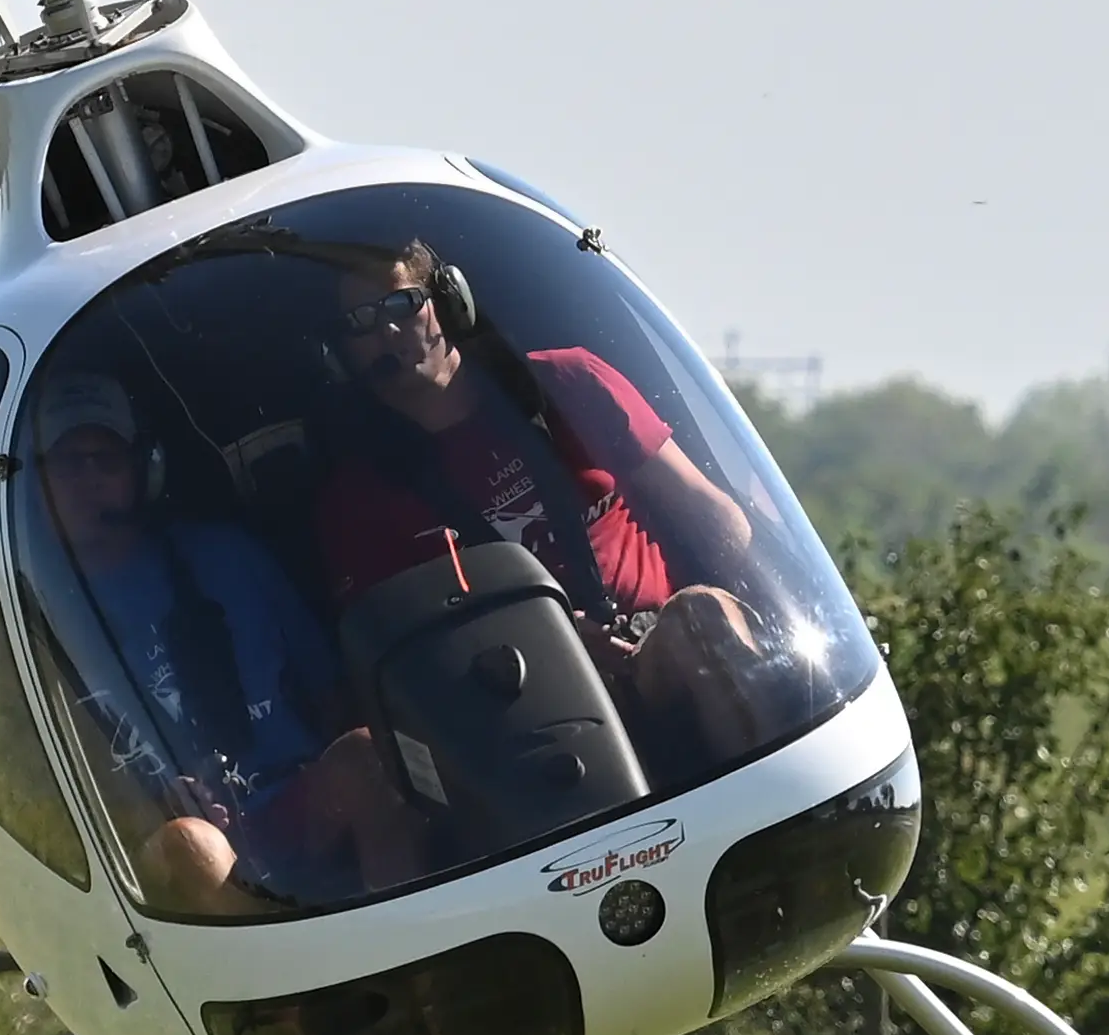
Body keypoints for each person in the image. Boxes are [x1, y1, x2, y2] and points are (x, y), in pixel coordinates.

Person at [304, 240, 783, 763]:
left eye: (401, 305)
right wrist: (549, 642)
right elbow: (403, 664)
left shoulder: (568, 382)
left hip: (657, 643)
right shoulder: (357, 499)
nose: (388, 333)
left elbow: (714, 519)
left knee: (701, 617)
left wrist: (757, 610)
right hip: (524, 704)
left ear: (448, 301)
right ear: (341, 352)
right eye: (361, 322)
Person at [20, 371, 407, 914]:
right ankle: (292, 987)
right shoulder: (32, 621)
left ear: (143, 469)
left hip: (288, 801)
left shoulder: (228, 558)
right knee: (191, 845)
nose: (88, 480)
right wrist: (144, 806)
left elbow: (331, 690)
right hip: (170, 844)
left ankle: (412, 951)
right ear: (36, 484)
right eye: (66, 462)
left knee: (368, 755)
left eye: (105, 459)